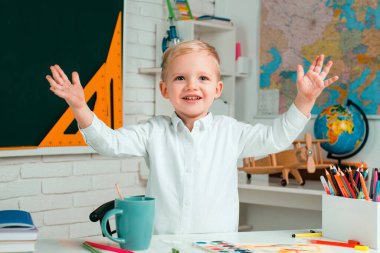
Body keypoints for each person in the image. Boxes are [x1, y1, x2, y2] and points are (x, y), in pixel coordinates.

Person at [46, 40, 339, 235]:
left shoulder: (230, 132)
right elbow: (108, 143)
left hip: (216, 247)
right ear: (164, 90)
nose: (191, 85)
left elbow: (276, 138)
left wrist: (304, 100)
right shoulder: (153, 131)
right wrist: (80, 107)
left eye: (202, 78)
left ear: (217, 89)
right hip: (161, 247)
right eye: (180, 78)